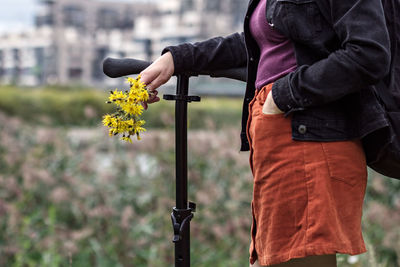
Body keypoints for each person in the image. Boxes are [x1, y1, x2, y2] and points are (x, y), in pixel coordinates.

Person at [139, 0, 391, 266]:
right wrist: (177, 58)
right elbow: (255, 43)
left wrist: (282, 95)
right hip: (284, 137)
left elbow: (368, 54)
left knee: (295, 258)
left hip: (309, 140)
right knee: (274, 259)